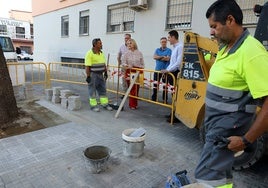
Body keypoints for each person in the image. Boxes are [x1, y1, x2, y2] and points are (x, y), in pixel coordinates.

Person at [194, 0, 268, 187]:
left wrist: (246, 140)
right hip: (215, 125)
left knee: (206, 175)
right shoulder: (226, 47)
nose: (211, 31)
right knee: (221, 175)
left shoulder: (251, 52)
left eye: (214, 26)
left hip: (226, 129)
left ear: (230, 20)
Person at [161, 30, 184, 123]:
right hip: (172, 73)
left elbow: (178, 63)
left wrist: (168, 70)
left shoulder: (180, 47)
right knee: (173, 95)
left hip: (176, 73)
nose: (168, 39)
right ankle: (173, 113)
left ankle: (176, 116)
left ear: (174, 37)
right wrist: (167, 70)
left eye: (169, 37)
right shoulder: (175, 47)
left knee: (176, 96)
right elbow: (172, 63)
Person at [84, 38, 113, 112]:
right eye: (100, 43)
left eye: (101, 43)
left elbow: (103, 64)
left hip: (100, 74)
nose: (101, 44)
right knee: (92, 91)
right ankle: (93, 106)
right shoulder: (89, 53)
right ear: (95, 44)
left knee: (103, 90)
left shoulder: (101, 53)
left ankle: (105, 104)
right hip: (93, 75)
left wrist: (105, 72)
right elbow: (87, 66)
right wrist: (88, 76)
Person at [121, 39, 145, 110]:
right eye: (127, 43)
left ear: (134, 44)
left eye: (130, 43)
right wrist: (127, 65)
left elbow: (142, 63)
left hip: (138, 70)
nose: (129, 45)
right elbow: (123, 62)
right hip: (130, 71)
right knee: (131, 88)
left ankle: (135, 103)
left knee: (136, 88)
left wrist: (141, 68)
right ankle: (132, 104)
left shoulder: (139, 53)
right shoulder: (126, 54)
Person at [151, 37, 172, 103]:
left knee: (165, 86)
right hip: (157, 70)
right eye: (162, 42)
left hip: (165, 71)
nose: (163, 43)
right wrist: (163, 57)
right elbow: (154, 57)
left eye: (165, 42)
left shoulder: (169, 50)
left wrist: (158, 57)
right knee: (155, 85)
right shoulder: (157, 50)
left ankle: (165, 99)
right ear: (160, 43)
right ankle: (154, 98)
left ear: (166, 42)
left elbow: (168, 59)